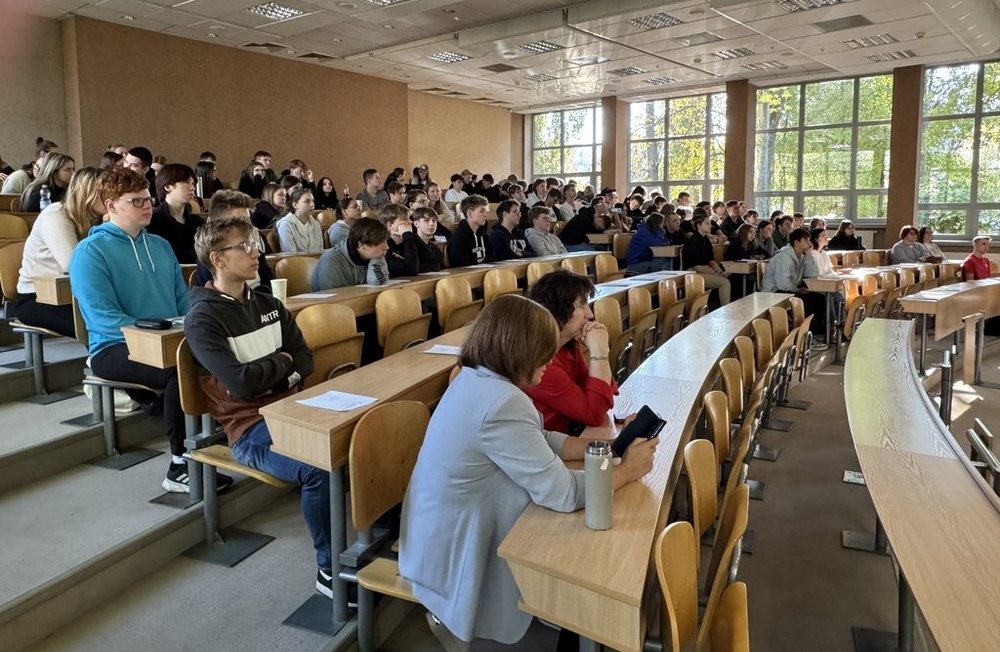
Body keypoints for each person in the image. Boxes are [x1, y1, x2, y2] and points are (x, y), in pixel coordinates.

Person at [399, 294, 656, 649]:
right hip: (456, 556)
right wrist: (627, 470)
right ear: (517, 351)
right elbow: (563, 493)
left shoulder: (478, 378)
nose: (550, 361)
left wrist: (608, 449)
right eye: (544, 352)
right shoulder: (501, 401)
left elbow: (540, 435)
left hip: (444, 532)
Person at [185, 216, 332, 598]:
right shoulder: (203, 318)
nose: (256, 254)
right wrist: (284, 368)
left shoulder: (268, 302)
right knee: (318, 469)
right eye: (245, 247)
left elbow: (306, 359)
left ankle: (378, 534)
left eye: (255, 245)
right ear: (217, 258)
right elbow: (241, 384)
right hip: (250, 430)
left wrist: (280, 372)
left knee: (359, 432)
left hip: (292, 409)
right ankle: (330, 569)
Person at [68, 167, 228, 493]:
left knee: (221, 351)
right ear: (111, 206)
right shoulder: (89, 252)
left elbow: (183, 304)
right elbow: (102, 318)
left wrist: (190, 325)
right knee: (176, 370)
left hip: (168, 337)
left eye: (147, 199)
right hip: (113, 347)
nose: (146, 207)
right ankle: (179, 464)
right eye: (136, 201)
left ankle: (227, 438)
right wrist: (161, 333)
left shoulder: (159, 245)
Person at [525, 269, 618, 435]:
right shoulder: (539, 362)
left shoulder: (567, 345)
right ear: (558, 311)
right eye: (582, 305)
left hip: (570, 434)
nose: (590, 315)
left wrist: (600, 353)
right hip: (550, 447)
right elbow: (594, 413)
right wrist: (599, 351)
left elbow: (602, 394)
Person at [15, 167, 104, 337]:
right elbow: (73, 265)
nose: (113, 199)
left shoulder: (95, 217)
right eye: (105, 193)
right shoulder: (55, 215)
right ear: (89, 193)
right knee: (99, 323)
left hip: (76, 293)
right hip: (38, 297)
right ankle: (100, 360)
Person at [193, 190, 274, 293]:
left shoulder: (253, 246)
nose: (246, 227)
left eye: (247, 221)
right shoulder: (209, 259)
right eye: (238, 222)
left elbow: (270, 285)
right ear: (216, 225)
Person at [762, 228, 825, 332]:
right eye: (806, 240)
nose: (810, 243)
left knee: (819, 297)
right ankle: (807, 332)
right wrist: (798, 290)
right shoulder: (784, 257)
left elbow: (813, 274)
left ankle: (816, 331)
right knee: (809, 300)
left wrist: (809, 255)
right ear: (796, 242)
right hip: (775, 292)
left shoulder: (801, 255)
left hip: (790, 289)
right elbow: (782, 284)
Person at [311, 218, 390, 290]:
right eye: (381, 242)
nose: (387, 247)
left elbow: (380, 289)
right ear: (361, 245)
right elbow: (330, 298)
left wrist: (376, 262)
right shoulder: (330, 260)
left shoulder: (375, 257)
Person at [148, 163, 204, 264]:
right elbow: (161, 254)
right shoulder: (151, 221)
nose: (192, 188)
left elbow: (206, 252)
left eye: (193, 183)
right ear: (167, 186)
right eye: (186, 182)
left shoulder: (198, 222)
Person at [683, 214, 731, 306]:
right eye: (707, 223)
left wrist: (721, 272)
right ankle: (725, 309)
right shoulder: (693, 241)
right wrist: (718, 274)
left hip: (703, 270)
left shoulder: (706, 240)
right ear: (698, 225)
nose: (710, 226)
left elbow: (711, 261)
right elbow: (697, 266)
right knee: (724, 282)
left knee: (726, 278)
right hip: (693, 273)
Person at [447, 195, 493, 267]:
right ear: (470, 213)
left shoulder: (484, 236)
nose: (486, 215)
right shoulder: (458, 238)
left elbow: (492, 261)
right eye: (482, 211)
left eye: (486, 211)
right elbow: (460, 268)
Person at [276, 188, 322, 253]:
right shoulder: (286, 224)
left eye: (313, 201)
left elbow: (320, 250)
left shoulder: (316, 224)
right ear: (295, 205)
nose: (312, 205)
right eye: (307, 201)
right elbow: (290, 254)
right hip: (296, 262)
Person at [378, 203, 419, 277]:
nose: (410, 222)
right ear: (390, 225)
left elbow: (429, 264)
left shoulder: (410, 240)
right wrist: (407, 234)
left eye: (409, 218)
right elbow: (412, 270)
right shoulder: (384, 247)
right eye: (405, 219)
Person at [409, 207, 445, 272]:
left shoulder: (435, 249)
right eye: (426, 220)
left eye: (434, 220)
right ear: (416, 223)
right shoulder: (411, 245)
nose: (431, 224)